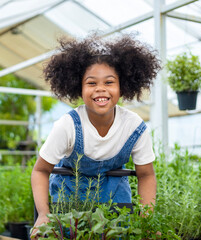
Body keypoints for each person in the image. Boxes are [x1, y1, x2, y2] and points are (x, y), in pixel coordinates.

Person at [31, 33, 161, 233]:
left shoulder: (134, 126)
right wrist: (42, 214)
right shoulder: (68, 126)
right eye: (91, 83)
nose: (101, 89)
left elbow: (146, 175)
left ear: (122, 86)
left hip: (116, 205)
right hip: (69, 206)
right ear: (79, 88)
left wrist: (146, 222)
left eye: (109, 82)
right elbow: (40, 171)